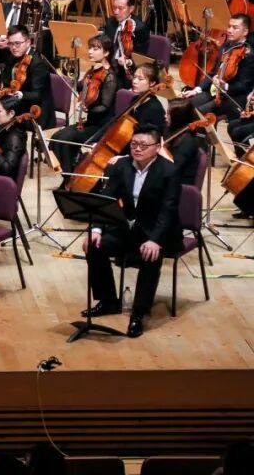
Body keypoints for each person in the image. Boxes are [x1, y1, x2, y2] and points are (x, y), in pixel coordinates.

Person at [82, 124, 181, 338]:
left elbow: (169, 210)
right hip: (128, 229)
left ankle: (139, 313)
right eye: (134, 144)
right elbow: (107, 199)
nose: (137, 149)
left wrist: (155, 240)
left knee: (150, 256)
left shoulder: (169, 171)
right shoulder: (121, 166)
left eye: (143, 145)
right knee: (94, 246)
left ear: (158, 146)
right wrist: (96, 228)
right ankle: (108, 300)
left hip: (157, 232)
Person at [51, 36, 117, 175]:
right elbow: (80, 86)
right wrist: (74, 75)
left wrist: (87, 108)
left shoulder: (110, 77)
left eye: (95, 49)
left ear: (106, 52)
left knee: (65, 139)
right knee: (56, 137)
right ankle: (69, 173)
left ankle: (71, 175)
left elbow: (105, 106)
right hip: (90, 122)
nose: (90, 51)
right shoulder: (94, 70)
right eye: (90, 48)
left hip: (102, 126)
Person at [181, 14, 253, 120]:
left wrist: (225, 86)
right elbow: (213, 73)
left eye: (235, 28)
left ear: (245, 32)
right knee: (183, 106)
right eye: (229, 26)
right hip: (214, 92)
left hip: (232, 97)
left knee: (198, 113)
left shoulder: (249, 55)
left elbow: (244, 86)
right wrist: (196, 90)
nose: (229, 30)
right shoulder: (225, 46)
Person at [0, 25, 56, 128]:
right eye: (10, 43)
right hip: (18, 105)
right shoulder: (11, 57)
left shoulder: (38, 64)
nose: (13, 47)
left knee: (2, 120)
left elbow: (37, 95)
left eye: (17, 43)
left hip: (36, 112)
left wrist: (19, 94)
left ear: (28, 42)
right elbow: (6, 83)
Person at [101, 0, 149, 88]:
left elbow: (141, 58)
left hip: (126, 73)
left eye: (120, 8)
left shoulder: (140, 28)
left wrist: (128, 62)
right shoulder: (110, 22)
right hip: (109, 67)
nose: (116, 12)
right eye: (114, 8)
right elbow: (106, 44)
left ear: (131, 9)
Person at [166, 97, 208, 186]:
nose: (165, 117)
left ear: (178, 118)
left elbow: (173, 168)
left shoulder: (187, 142)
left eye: (168, 114)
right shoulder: (173, 130)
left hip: (179, 185)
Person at [0, 96, 28, 179]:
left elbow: (7, 170)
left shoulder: (15, 137)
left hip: (0, 180)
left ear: (11, 113)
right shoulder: (6, 128)